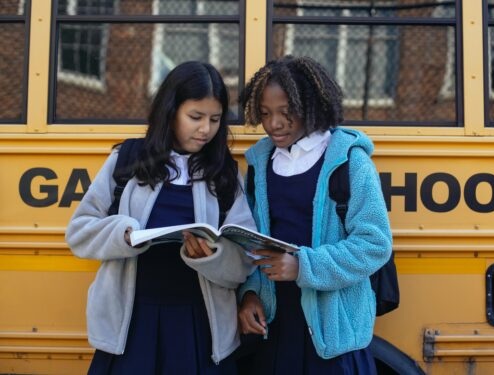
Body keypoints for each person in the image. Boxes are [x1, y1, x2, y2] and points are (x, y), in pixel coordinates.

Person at [66, 61, 256, 374]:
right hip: (130, 324)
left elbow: (243, 260)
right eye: (195, 117)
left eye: (215, 119)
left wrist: (213, 256)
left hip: (200, 326)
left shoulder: (225, 174)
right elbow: (80, 232)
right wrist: (123, 235)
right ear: (170, 111)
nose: (205, 129)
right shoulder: (127, 160)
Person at [237, 55, 392, 374]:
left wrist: (302, 266)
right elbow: (251, 243)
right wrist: (250, 293)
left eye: (285, 112)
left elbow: (374, 244)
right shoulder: (260, 166)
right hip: (276, 324)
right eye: (265, 114)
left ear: (312, 106)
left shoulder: (350, 163)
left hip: (332, 332)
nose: (273, 124)